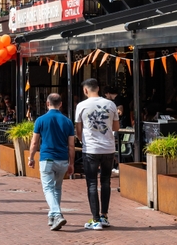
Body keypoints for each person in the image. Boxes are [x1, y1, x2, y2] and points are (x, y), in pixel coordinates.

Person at [75, 78, 120, 230]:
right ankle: (104, 216)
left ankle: (95, 220)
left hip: (91, 149)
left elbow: (78, 130)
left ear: (85, 90)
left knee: (92, 183)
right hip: (108, 148)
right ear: (98, 88)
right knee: (106, 181)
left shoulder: (81, 105)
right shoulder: (111, 104)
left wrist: (83, 141)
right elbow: (116, 127)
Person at [29, 93, 76, 230]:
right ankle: (52, 216)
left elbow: (34, 142)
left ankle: (56, 213)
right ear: (60, 104)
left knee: (48, 188)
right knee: (57, 188)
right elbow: (71, 146)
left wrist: (31, 158)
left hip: (47, 158)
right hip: (62, 160)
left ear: (47, 104)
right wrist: (71, 163)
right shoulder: (67, 121)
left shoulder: (41, 120)